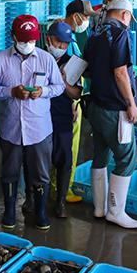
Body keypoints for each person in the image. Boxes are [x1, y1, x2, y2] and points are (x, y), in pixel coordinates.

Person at [0, 15, 64, 230]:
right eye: (23, 40)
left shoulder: (46, 59)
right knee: (10, 171)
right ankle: (10, 211)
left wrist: (43, 91)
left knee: (40, 172)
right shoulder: (0, 60)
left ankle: (40, 212)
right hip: (11, 128)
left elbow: (58, 86)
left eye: (31, 40)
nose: (28, 44)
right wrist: (11, 92)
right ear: (13, 37)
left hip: (39, 128)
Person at [84, 0, 137, 230]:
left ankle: (100, 208)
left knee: (100, 155)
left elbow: (87, 70)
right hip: (114, 109)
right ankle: (116, 212)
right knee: (127, 158)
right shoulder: (120, 34)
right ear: (125, 15)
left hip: (96, 106)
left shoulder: (95, 34)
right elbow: (120, 72)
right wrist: (131, 103)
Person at [43, 21, 84, 219]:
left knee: (64, 160)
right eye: (58, 42)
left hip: (62, 118)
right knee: (38, 161)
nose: (61, 47)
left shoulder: (73, 62)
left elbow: (76, 93)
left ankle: (60, 201)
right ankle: (35, 200)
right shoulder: (37, 57)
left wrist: (63, 82)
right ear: (48, 39)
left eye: (65, 44)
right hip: (38, 119)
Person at [59, 0, 97, 206]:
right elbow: (69, 75)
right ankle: (66, 187)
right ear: (76, 16)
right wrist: (74, 104)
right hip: (69, 98)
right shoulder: (68, 41)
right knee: (70, 146)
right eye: (86, 17)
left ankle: (59, 186)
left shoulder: (59, 32)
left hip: (63, 96)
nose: (87, 22)